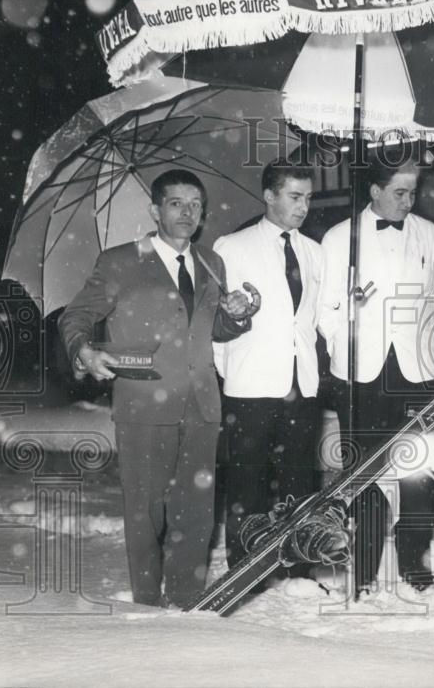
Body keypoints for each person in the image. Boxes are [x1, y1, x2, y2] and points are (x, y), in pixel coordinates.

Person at [59, 170, 260, 608]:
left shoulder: (212, 262)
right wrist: (85, 351)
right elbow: (75, 316)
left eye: (195, 205)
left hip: (202, 404)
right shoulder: (120, 261)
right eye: (176, 203)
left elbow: (211, 330)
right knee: (146, 511)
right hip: (144, 403)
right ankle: (147, 602)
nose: (187, 213)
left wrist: (236, 314)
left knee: (196, 510)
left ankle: (187, 599)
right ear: (155, 211)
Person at [318, 154, 434, 597]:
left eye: (413, 192)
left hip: (416, 371)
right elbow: (324, 310)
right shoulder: (340, 239)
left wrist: (422, 339)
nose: (408, 201)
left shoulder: (430, 235)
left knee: (418, 471)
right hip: (360, 372)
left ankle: (414, 563)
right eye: (399, 192)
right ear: (375, 191)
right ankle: (363, 568)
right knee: (363, 471)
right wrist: (348, 324)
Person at [212, 160, 324, 577]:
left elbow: (311, 321)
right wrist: (234, 374)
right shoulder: (232, 247)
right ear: (269, 196)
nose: (304, 207)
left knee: (299, 482)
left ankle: (298, 570)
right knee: (247, 485)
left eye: (308, 198)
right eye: (295, 197)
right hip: (250, 385)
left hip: (302, 385)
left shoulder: (314, 252)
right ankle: (243, 571)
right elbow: (216, 325)